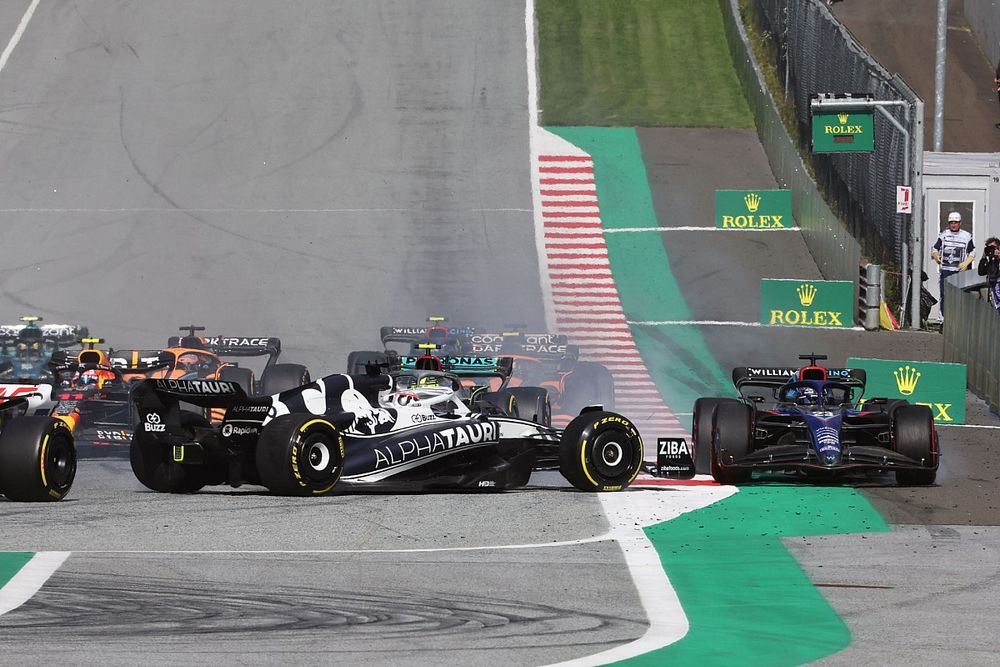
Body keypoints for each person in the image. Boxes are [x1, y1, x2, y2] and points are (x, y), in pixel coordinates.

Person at [931, 211, 975, 317]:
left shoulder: (966, 236)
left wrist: (967, 262)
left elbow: (973, 251)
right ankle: (944, 318)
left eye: (956, 222)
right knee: (945, 295)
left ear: (960, 223)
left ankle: (959, 318)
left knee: (960, 295)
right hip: (946, 270)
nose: (953, 225)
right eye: (951, 222)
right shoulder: (944, 235)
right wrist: (936, 256)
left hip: (959, 272)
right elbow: (935, 248)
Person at [979, 236, 1000, 311]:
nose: (992, 250)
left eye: (993, 247)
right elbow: (981, 272)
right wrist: (984, 257)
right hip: (995, 297)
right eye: (989, 248)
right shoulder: (991, 261)